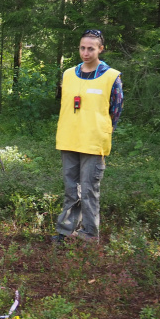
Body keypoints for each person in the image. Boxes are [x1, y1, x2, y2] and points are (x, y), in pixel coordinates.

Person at [53, 29, 124, 243]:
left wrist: (100, 129)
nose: (85, 52)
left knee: (89, 190)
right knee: (70, 190)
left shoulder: (112, 77)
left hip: (94, 143)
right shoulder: (68, 73)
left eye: (91, 48)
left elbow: (116, 110)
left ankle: (89, 235)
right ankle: (66, 231)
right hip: (69, 139)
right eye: (82, 48)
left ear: (100, 49)